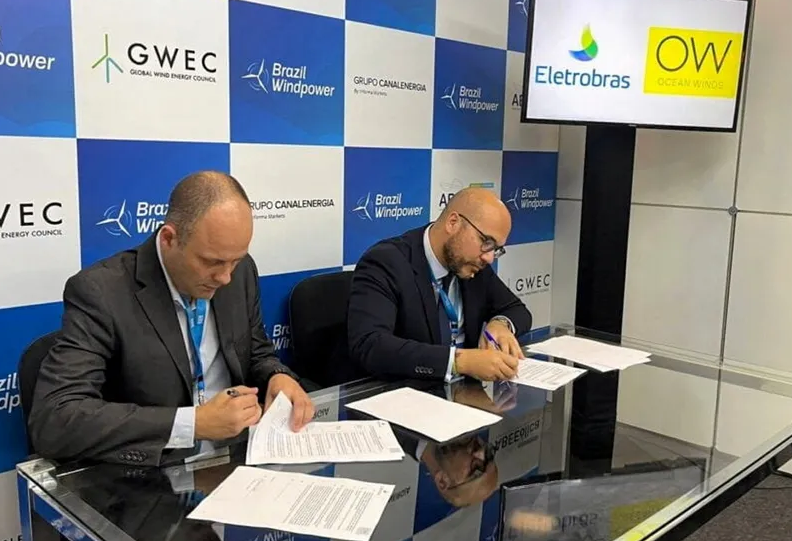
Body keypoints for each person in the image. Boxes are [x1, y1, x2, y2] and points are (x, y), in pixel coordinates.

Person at [28, 171, 314, 466]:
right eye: (212, 262)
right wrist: (193, 424)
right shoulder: (102, 292)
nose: (225, 277)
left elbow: (256, 351)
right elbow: (55, 419)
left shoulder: (239, 271)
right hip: (151, 473)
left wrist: (276, 376)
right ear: (168, 239)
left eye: (236, 260)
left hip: (237, 458)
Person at [347, 187, 532, 382]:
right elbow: (369, 345)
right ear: (453, 223)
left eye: (496, 249)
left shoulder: (474, 264)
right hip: (405, 392)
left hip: (462, 393)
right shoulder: (387, 262)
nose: (489, 257)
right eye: (486, 242)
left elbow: (517, 310)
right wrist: (459, 362)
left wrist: (501, 324)